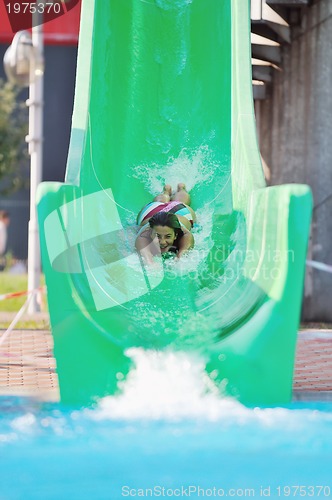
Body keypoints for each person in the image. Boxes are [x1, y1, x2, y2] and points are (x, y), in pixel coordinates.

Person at [135, 183, 196, 264]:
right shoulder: (143, 237)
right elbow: (148, 261)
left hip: (179, 211)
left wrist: (180, 256)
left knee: (181, 202)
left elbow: (182, 256)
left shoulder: (185, 235)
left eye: (168, 236)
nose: (162, 242)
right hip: (151, 211)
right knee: (160, 202)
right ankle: (166, 192)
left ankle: (181, 188)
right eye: (157, 236)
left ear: (176, 235)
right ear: (150, 233)